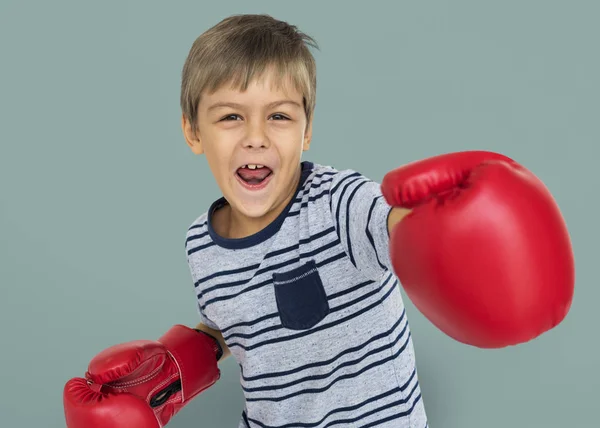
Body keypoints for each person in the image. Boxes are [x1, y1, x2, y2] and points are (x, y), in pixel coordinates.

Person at [62, 14, 575, 428]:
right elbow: (237, 320)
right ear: (193, 132)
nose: (256, 137)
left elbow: (391, 222)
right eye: (230, 116)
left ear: (307, 130)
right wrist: (186, 355)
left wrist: (448, 228)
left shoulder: (338, 202)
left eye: (279, 116)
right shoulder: (201, 243)